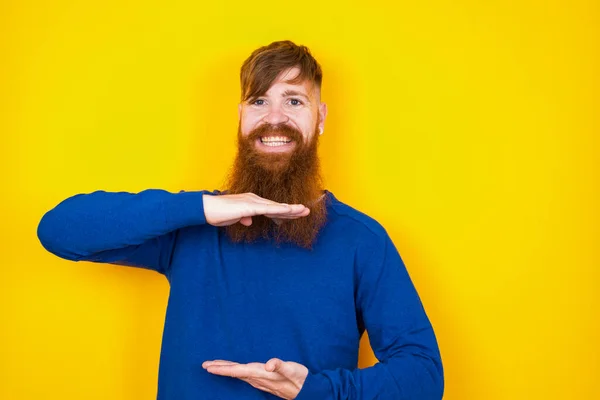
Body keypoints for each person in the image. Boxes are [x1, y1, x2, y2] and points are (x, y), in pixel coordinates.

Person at [37, 40, 444, 399]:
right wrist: (200, 208)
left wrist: (319, 390)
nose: (274, 118)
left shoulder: (361, 240)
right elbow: (58, 231)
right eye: (259, 101)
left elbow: (424, 376)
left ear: (320, 118)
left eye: (294, 101)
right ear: (240, 116)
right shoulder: (193, 226)